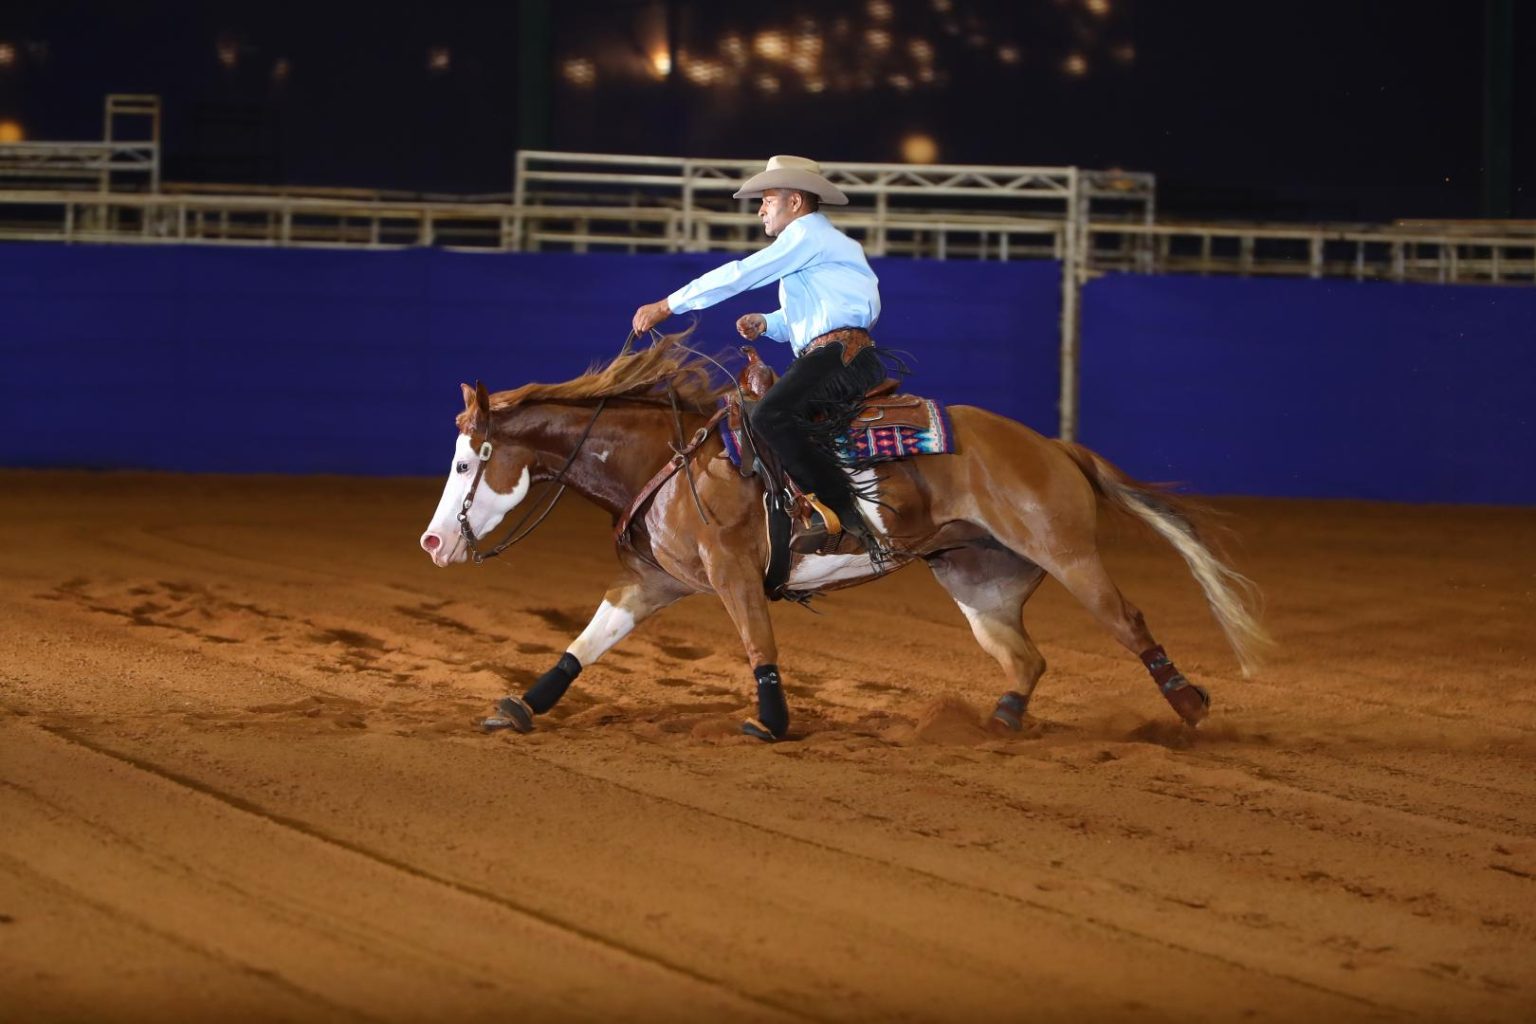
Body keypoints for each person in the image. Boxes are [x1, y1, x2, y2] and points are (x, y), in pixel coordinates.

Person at [631, 154, 887, 544]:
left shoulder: (807, 236)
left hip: (839, 358)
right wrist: (770, 323)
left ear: (795, 202)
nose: (760, 211)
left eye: (767, 200)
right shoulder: (820, 244)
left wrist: (669, 305)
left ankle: (843, 513)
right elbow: (825, 313)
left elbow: (742, 274)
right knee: (768, 413)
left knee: (771, 414)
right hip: (840, 355)